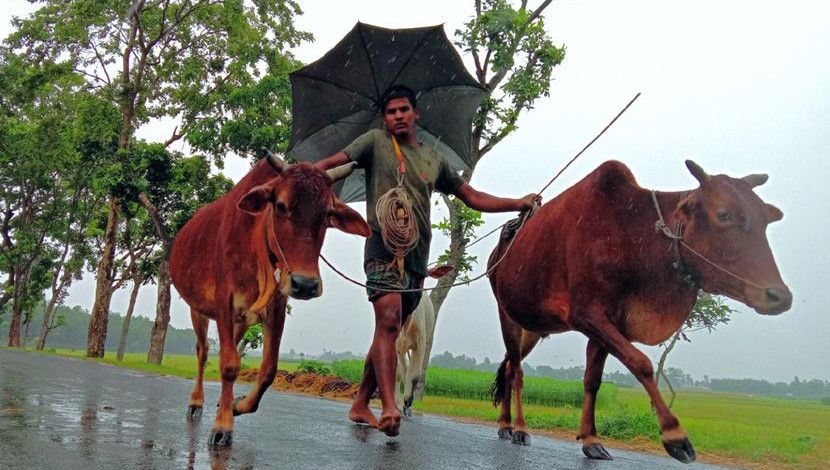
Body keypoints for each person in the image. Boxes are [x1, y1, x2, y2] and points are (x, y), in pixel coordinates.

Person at [315, 85, 540, 436]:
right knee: (388, 322)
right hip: (382, 253)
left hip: (417, 261)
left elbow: (471, 195)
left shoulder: (434, 159)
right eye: (391, 112)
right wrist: (297, 174)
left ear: (415, 114)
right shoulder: (373, 142)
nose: (398, 116)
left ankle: (360, 402)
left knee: (388, 331)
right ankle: (389, 407)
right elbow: (333, 164)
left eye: (404, 109)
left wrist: (516, 203)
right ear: (385, 119)